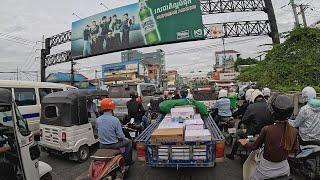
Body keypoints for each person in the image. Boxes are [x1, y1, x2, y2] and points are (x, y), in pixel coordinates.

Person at [239, 94, 299, 180]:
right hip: (284, 169)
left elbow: (253, 146)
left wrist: (244, 143)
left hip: (265, 172)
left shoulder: (267, 129)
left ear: (272, 111)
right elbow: (294, 150)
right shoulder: (294, 131)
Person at [227, 89, 272, 160]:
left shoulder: (251, 106)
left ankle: (232, 155)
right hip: (266, 134)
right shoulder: (269, 106)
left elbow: (244, 120)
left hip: (252, 134)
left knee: (239, 133)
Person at [96, 98, 133, 164]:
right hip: (113, 145)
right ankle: (127, 160)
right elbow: (121, 136)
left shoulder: (98, 119)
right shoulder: (115, 120)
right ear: (112, 108)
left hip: (102, 145)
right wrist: (126, 138)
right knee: (129, 142)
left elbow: (98, 130)